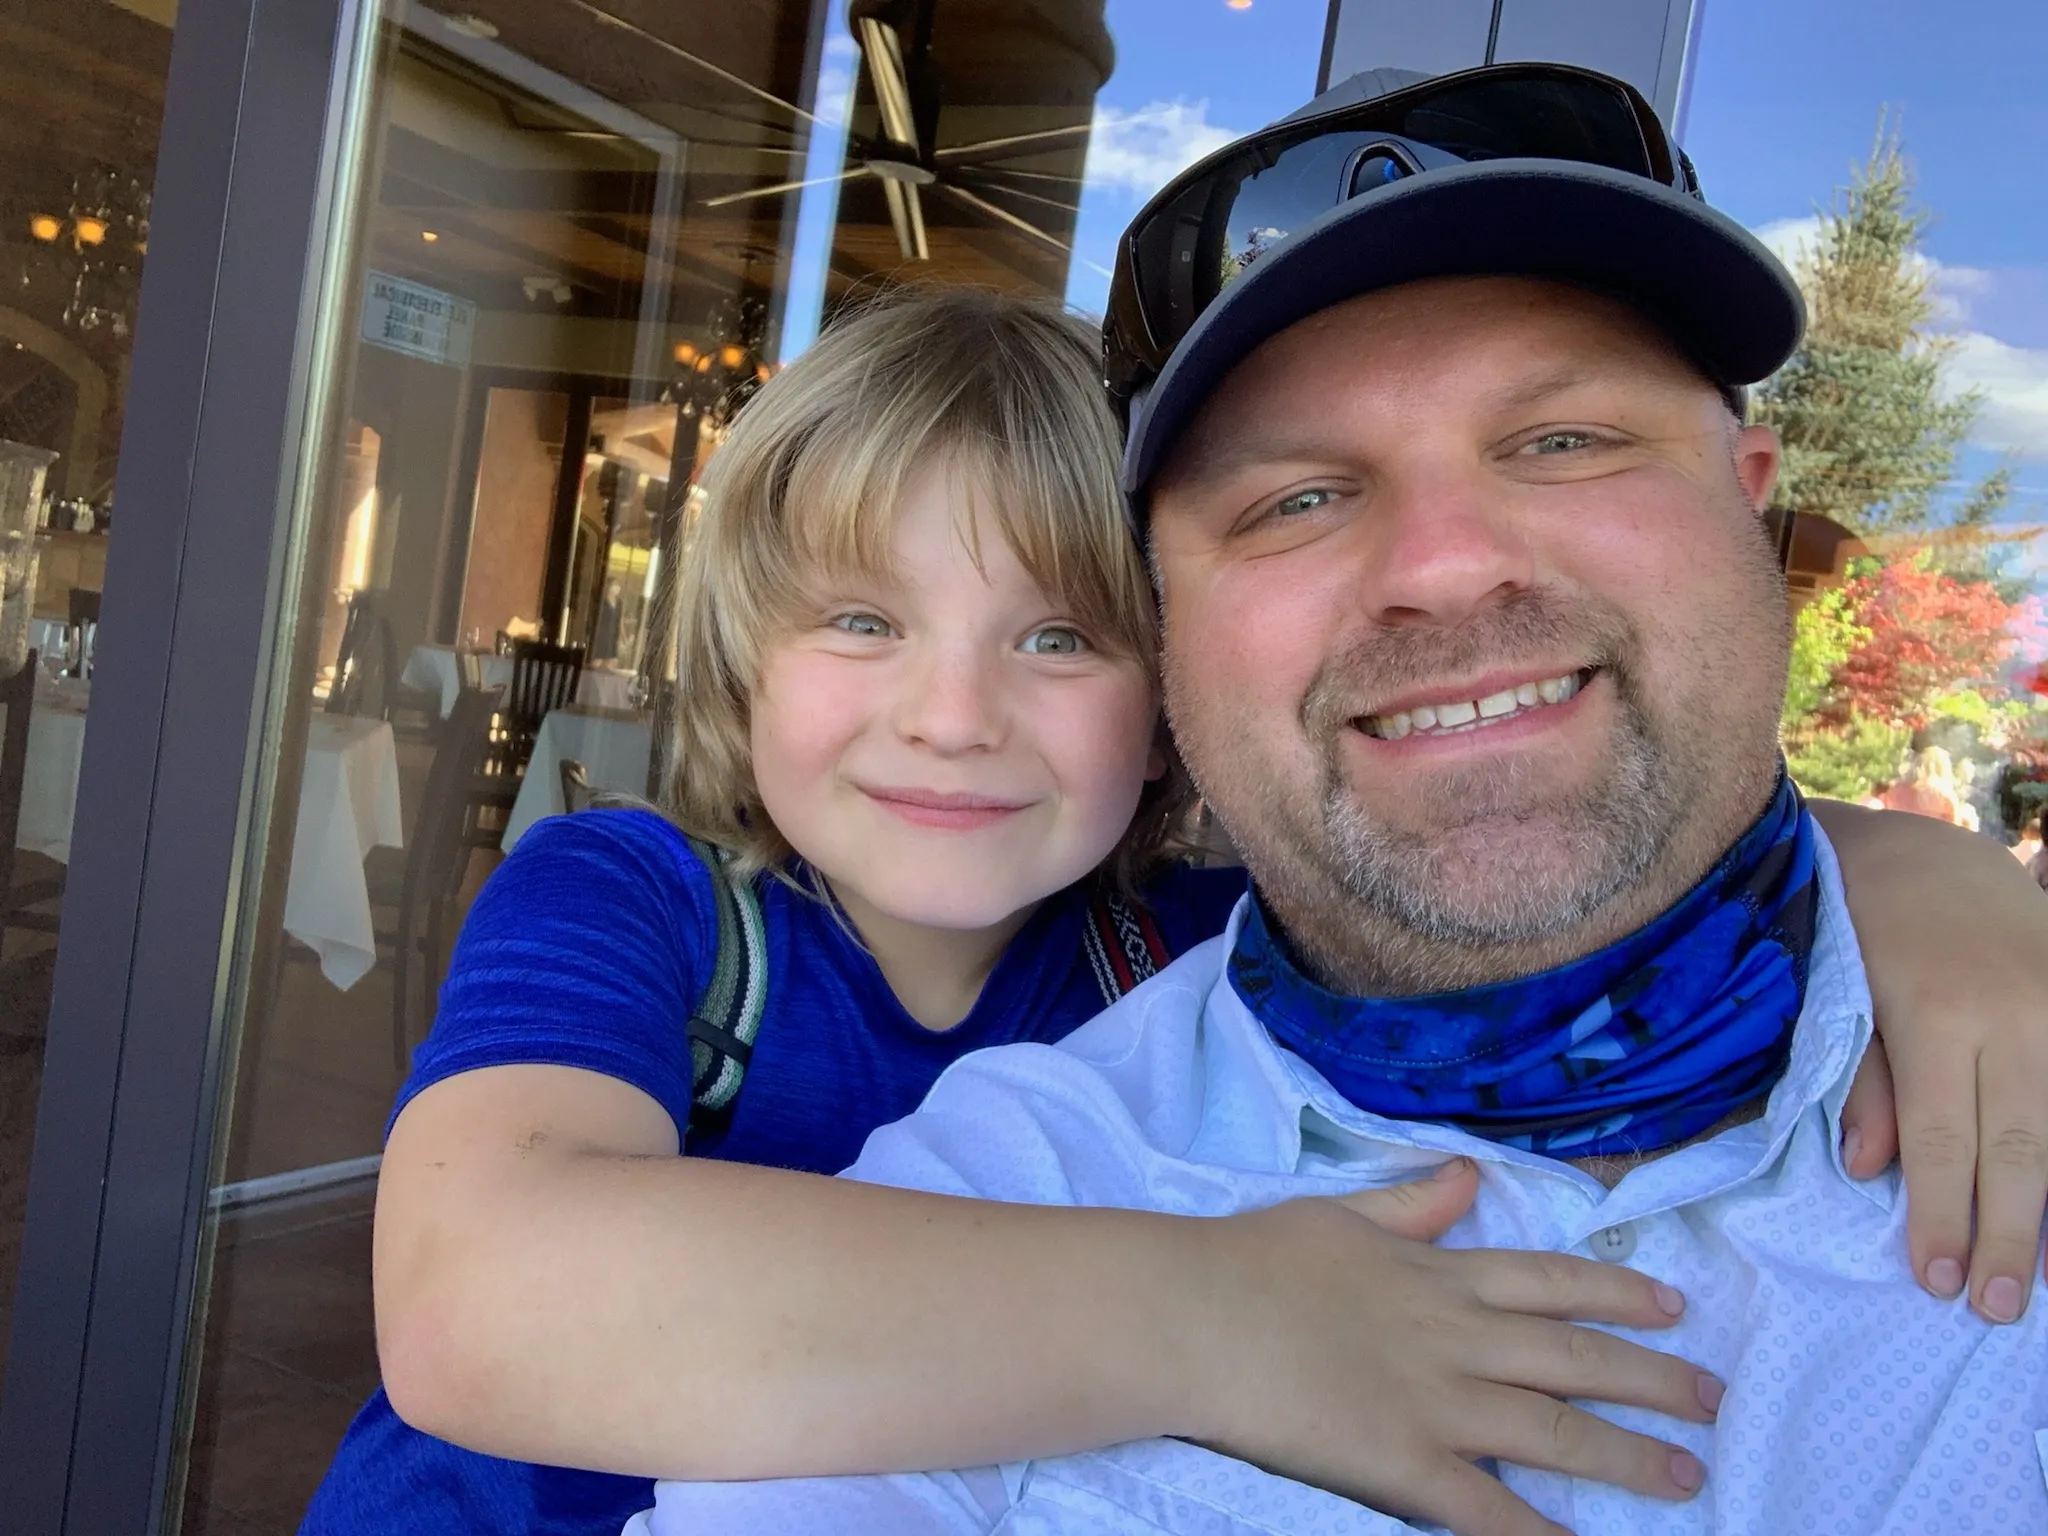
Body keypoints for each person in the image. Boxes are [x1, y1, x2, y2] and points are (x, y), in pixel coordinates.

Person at [309, 203, 2048, 1536]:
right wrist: (1227, 1320)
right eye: (859, 620)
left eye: (1059, 637)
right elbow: (482, 1297)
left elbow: (1520, 836)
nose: (951, 716)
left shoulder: (1196, 956)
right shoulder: (650, 906)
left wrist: (1890, 876)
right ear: (744, 662)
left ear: (1170, 711)